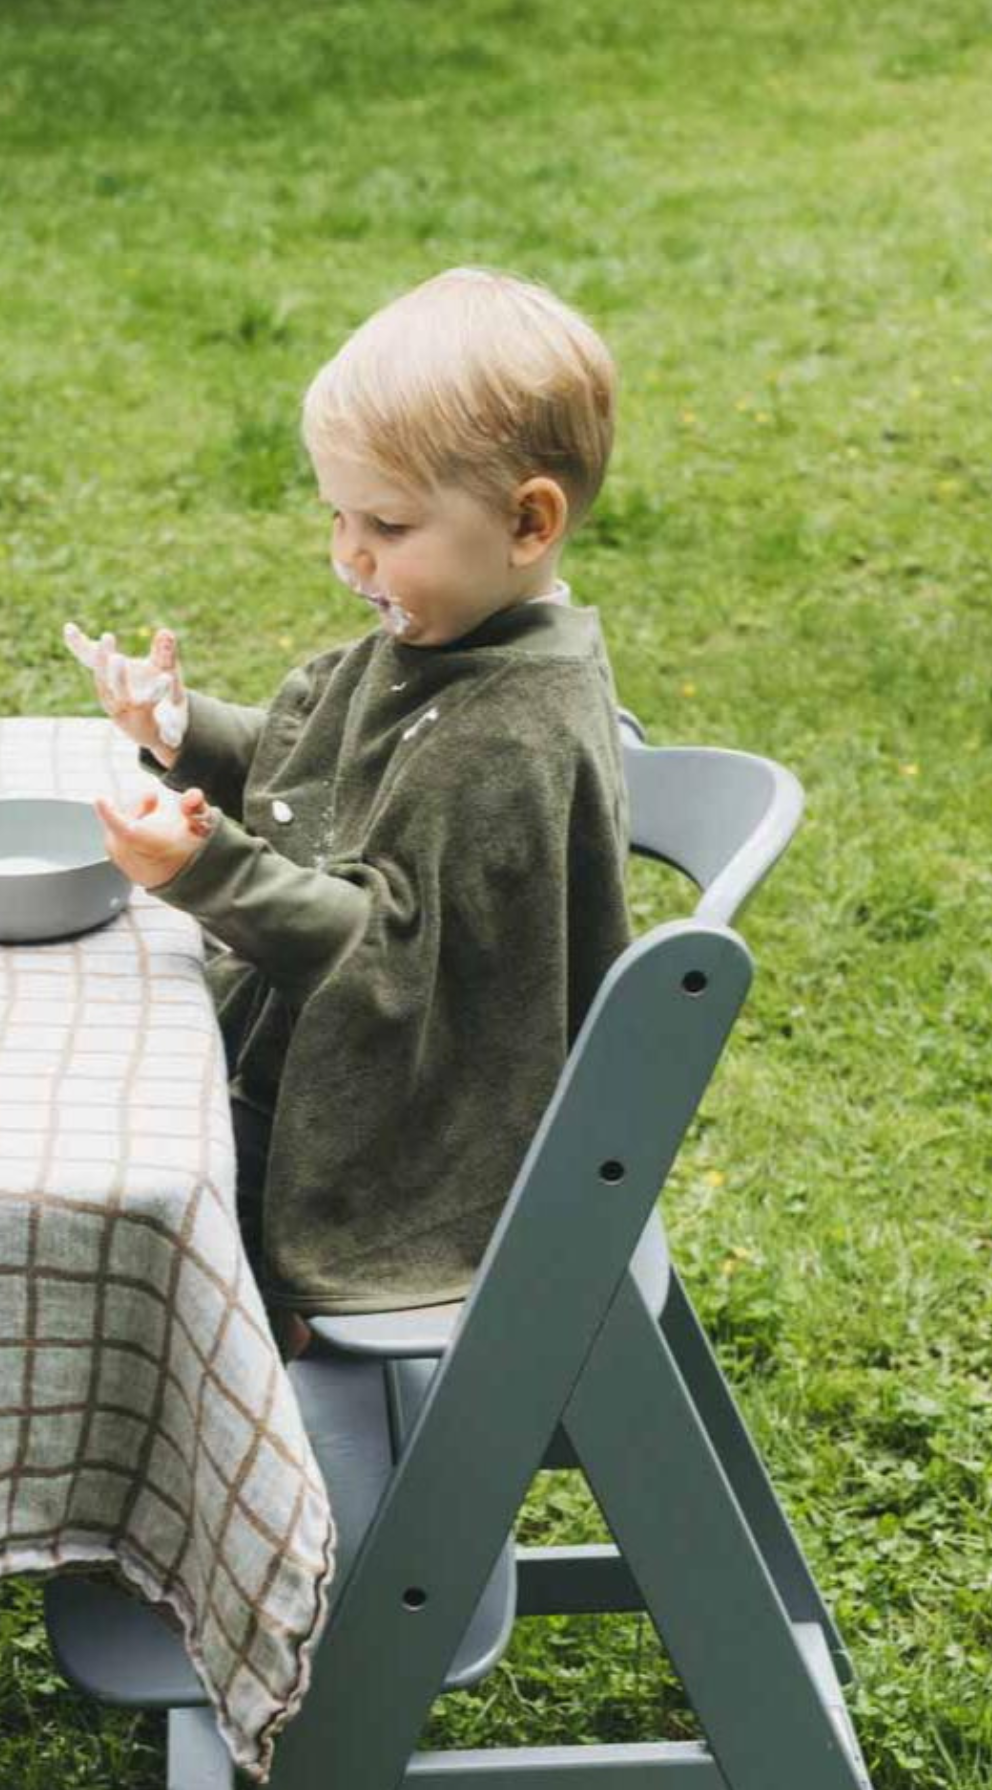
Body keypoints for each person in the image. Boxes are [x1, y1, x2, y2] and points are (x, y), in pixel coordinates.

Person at [64, 266, 631, 1362]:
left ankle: (197, 1433)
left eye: (387, 520)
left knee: (131, 1173)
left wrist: (207, 871)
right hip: (357, 1082)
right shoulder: (460, 637)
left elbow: (386, 958)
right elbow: (324, 774)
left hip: (431, 1151)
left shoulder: (504, 732)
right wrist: (188, 735)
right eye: (336, 512)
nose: (348, 553)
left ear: (527, 520)